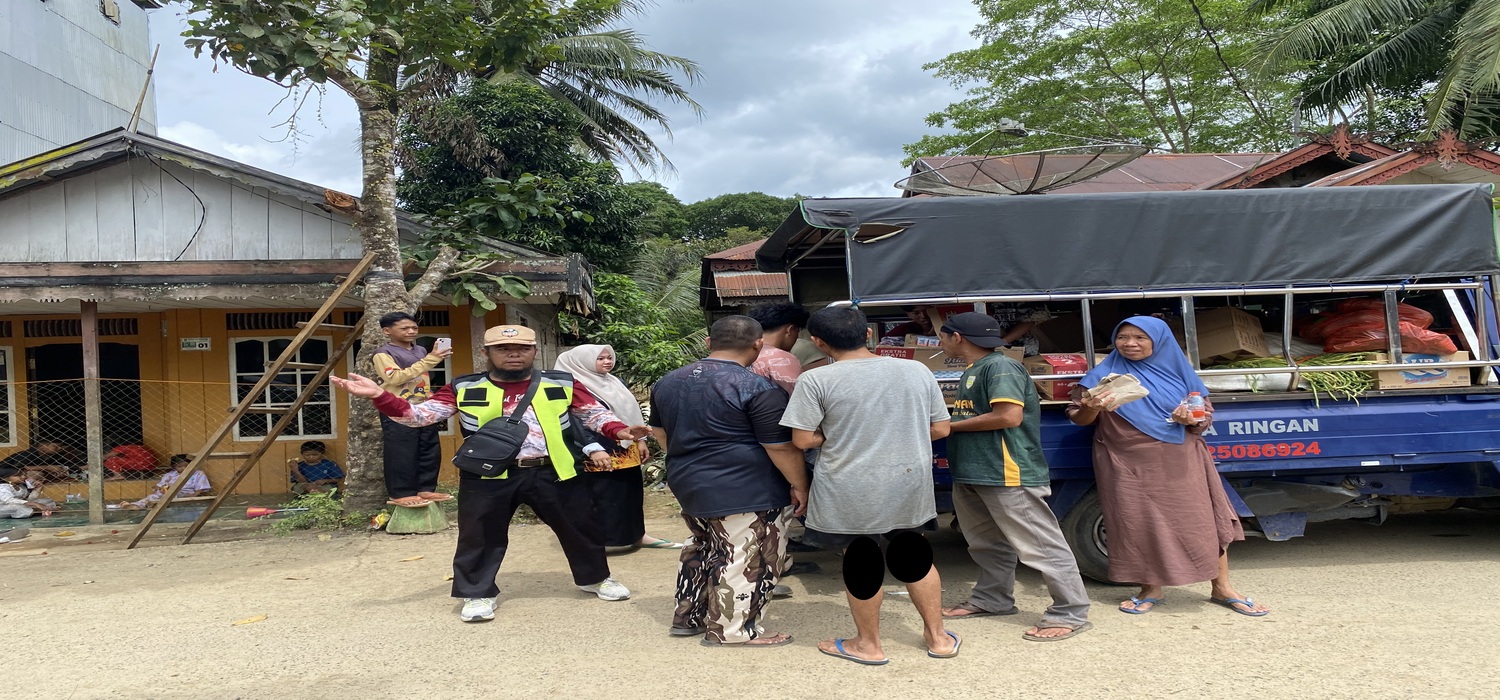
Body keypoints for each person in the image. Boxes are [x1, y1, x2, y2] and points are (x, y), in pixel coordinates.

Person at [332, 324, 650, 623]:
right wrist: (379, 395)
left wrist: (621, 431)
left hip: (555, 471)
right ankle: (477, 593)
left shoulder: (561, 382)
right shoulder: (464, 386)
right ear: (486, 353)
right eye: (503, 349)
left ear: (534, 351)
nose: (513, 354)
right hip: (487, 476)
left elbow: (594, 415)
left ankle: (595, 578)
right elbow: (419, 416)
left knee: (581, 527)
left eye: (521, 348)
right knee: (479, 535)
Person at [781, 306, 959, 665]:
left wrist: (842, 435)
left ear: (818, 342)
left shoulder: (816, 380)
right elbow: (941, 428)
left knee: (861, 554)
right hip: (907, 480)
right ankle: (938, 638)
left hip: (848, 484)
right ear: (867, 335)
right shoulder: (916, 370)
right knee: (913, 552)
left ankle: (868, 645)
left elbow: (801, 440)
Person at [1068, 316, 1269, 617]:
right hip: (1124, 462)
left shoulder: (1179, 373)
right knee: (1138, 523)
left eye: (1140, 337)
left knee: (1202, 521)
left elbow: (1202, 418)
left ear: (1159, 341)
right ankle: (1150, 589)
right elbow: (1079, 418)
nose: (1130, 343)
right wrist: (1091, 408)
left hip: (1180, 460)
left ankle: (1222, 587)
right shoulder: (1102, 376)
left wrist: (1191, 419)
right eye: (1123, 337)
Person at [649, 316, 810, 647]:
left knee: (704, 546)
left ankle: (688, 616)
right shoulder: (759, 388)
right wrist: (800, 484)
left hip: (688, 481)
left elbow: (660, 433)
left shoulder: (667, 383)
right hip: (746, 487)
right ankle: (733, 630)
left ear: (709, 343)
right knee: (746, 555)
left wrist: (687, 463)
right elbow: (779, 446)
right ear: (758, 344)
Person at [936, 313, 1093, 641]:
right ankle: (992, 599)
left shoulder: (1001, 367)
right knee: (986, 543)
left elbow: (1008, 416)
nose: (940, 340)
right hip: (975, 470)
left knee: (1041, 545)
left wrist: (948, 427)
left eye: (943, 334)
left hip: (1007, 472)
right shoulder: (975, 368)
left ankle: (1071, 611)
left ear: (957, 337)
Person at [553, 344, 680, 551]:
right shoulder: (570, 386)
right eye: (600, 358)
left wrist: (640, 440)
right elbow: (572, 421)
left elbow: (630, 412)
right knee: (602, 494)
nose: (607, 362)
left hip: (625, 445)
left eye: (609, 357)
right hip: (593, 449)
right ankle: (600, 542)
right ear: (581, 362)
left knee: (630, 492)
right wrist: (591, 447)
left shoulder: (613, 381)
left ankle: (638, 535)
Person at [372, 312, 452, 507]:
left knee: (429, 448)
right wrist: (431, 359)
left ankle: (426, 488)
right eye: (405, 328)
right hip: (397, 407)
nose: (411, 331)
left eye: (414, 328)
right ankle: (401, 492)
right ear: (387, 331)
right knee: (401, 450)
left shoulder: (420, 350)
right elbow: (395, 378)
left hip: (423, 407)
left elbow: (421, 377)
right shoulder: (383, 353)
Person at [746, 302, 808, 395]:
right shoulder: (781, 358)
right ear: (790, 330)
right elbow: (796, 396)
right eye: (797, 332)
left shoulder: (743, 352)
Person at [120, 454, 210, 510]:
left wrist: (193, 496)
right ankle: (136, 506)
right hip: (167, 493)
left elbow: (201, 488)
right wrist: (159, 488)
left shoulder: (198, 473)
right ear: (174, 467)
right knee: (154, 496)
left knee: (172, 494)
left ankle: (144, 505)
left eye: (186, 466)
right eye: (179, 466)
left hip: (185, 493)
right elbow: (161, 487)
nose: (183, 468)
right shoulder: (169, 475)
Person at [986, 302, 1052, 357]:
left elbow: (1031, 321)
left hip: (1025, 349)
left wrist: (1002, 342)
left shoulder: (1026, 295)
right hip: (990, 349)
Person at [0, 440, 84, 484]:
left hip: (25, 475)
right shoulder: (27, 454)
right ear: (43, 446)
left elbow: (64, 465)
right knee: (37, 474)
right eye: (56, 446)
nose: (59, 448)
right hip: (6, 473)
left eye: (61, 446)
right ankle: (27, 487)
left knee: (58, 471)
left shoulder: (52, 456)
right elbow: (18, 467)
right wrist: (47, 468)